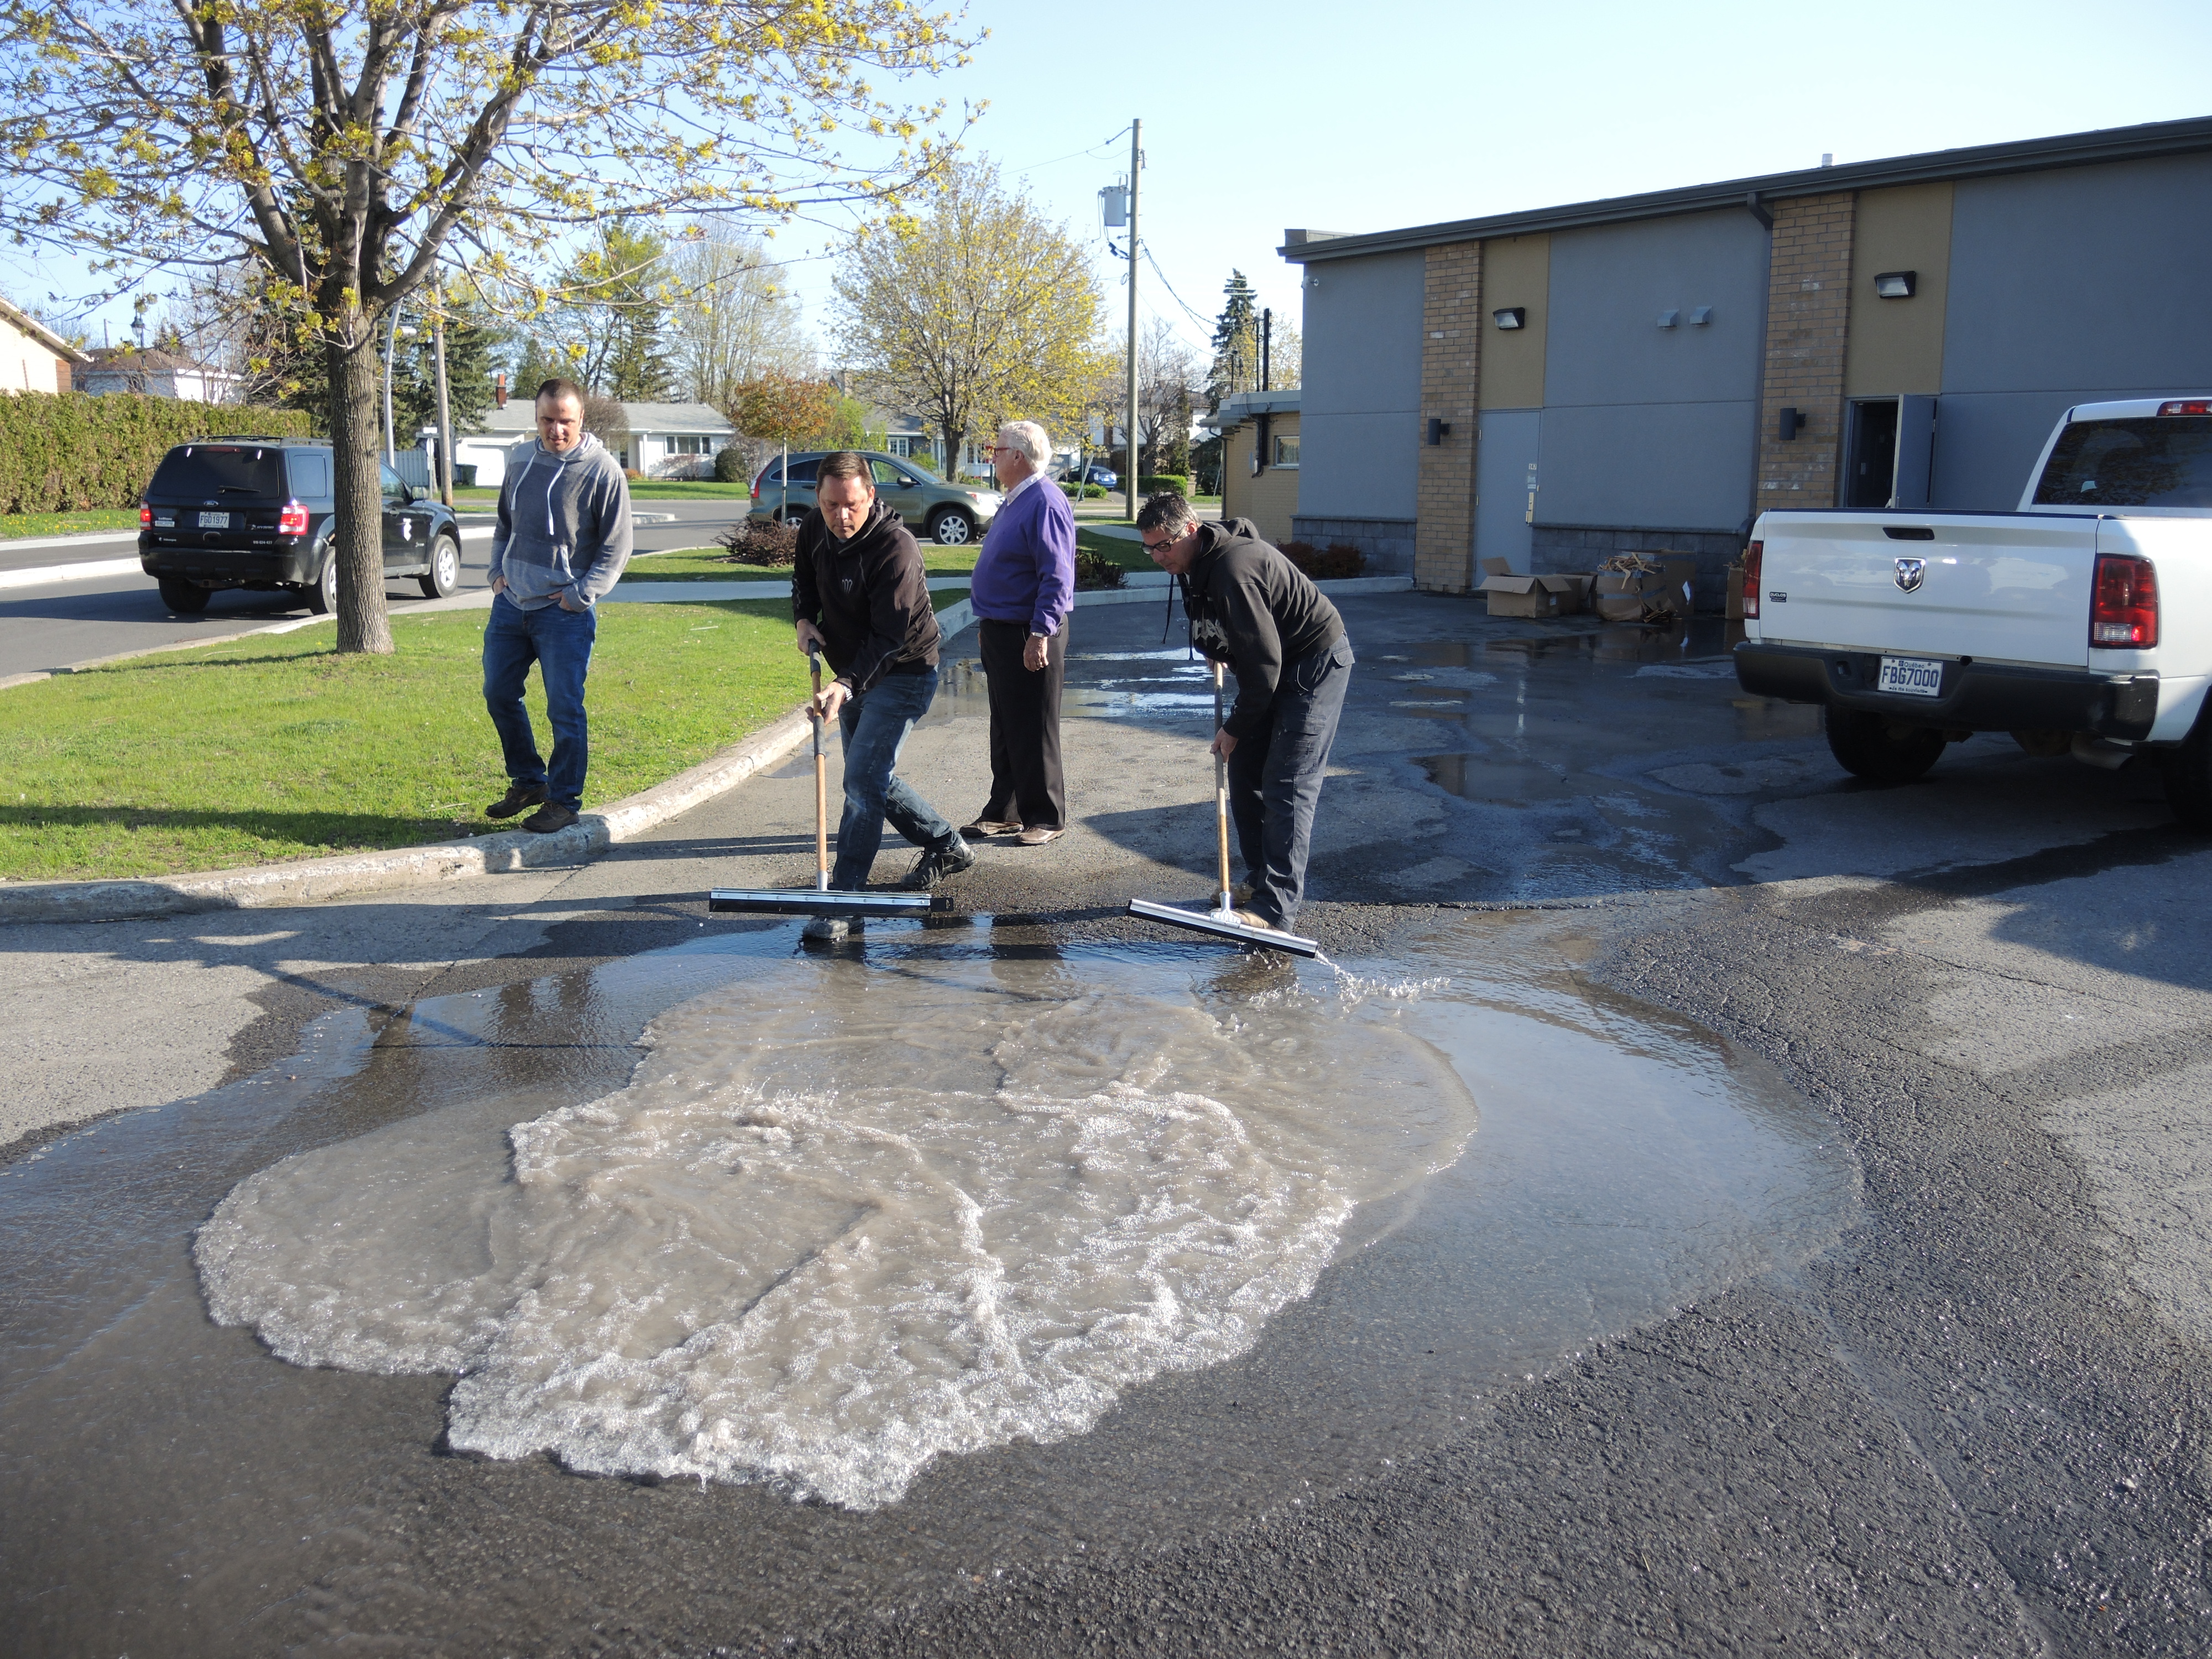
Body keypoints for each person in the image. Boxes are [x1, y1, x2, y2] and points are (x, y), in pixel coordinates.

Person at [1136, 492, 1355, 935]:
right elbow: (1226, 625)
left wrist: (1234, 728)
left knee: (1287, 786)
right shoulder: (1192, 561)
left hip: (1313, 664)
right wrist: (1219, 644)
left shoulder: (1234, 571)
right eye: (1150, 547)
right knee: (1245, 775)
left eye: (1164, 546)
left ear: (1191, 530)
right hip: (1273, 666)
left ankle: (1276, 912)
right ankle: (1259, 883)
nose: (1158, 557)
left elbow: (1265, 667)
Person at [792, 450, 973, 940]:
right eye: (831, 505)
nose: (841, 516)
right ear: (819, 498)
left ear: (871, 496)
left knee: (862, 784)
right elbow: (804, 582)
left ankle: (846, 902)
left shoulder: (896, 548)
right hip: (851, 673)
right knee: (870, 778)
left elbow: (889, 636)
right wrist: (804, 618)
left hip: (906, 672)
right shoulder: (814, 528)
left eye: (851, 504)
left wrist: (845, 684)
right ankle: (947, 845)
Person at [482, 378, 633, 834]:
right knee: (499, 693)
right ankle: (529, 782)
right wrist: (496, 573)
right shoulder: (522, 460)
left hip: (563, 613)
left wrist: (580, 594)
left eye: (565, 420)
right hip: (512, 604)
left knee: (565, 707)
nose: (556, 430)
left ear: (580, 418)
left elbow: (616, 546)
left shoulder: (603, 470)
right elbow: (503, 525)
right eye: (547, 420)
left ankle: (564, 801)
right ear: (537, 418)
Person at [963, 420, 1077, 847]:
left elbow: (1056, 575)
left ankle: (1046, 816)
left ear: (1018, 455)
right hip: (1001, 629)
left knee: (1034, 726)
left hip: (1030, 631)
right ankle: (1005, 811)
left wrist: (1040, 632)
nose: (991, 455)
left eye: (996, 448)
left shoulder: (1045, 501)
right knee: (1007, 725)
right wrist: (987, 623)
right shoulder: (1017, 500)